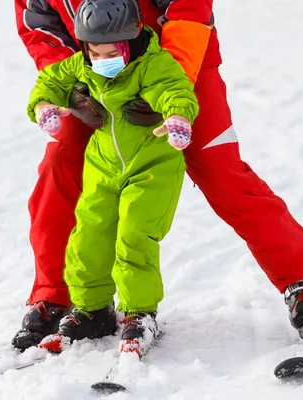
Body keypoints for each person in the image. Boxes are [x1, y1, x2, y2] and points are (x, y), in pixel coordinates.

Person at [12, 0, 303, 351]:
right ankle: (58, 295)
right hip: (96, 75)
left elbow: (188, 8)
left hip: (179, 65)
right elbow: (39, 25)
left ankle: (300, 279)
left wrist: (168, 83)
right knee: (60, 165)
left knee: (220, 171)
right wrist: (73, 84)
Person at [23, 0, 199, 354]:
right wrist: (43, 107)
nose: (103, 60)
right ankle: (92, 310)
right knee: (88, 235)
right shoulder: (84, 64)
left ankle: (139, 313)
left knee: (134, 235)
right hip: (104, 166)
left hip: (152, 166)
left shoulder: (152, 65)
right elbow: (50, 80)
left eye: (112, 52)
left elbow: (175, 90)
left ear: (131, 39)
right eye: (95, 52)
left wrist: (178, 116)